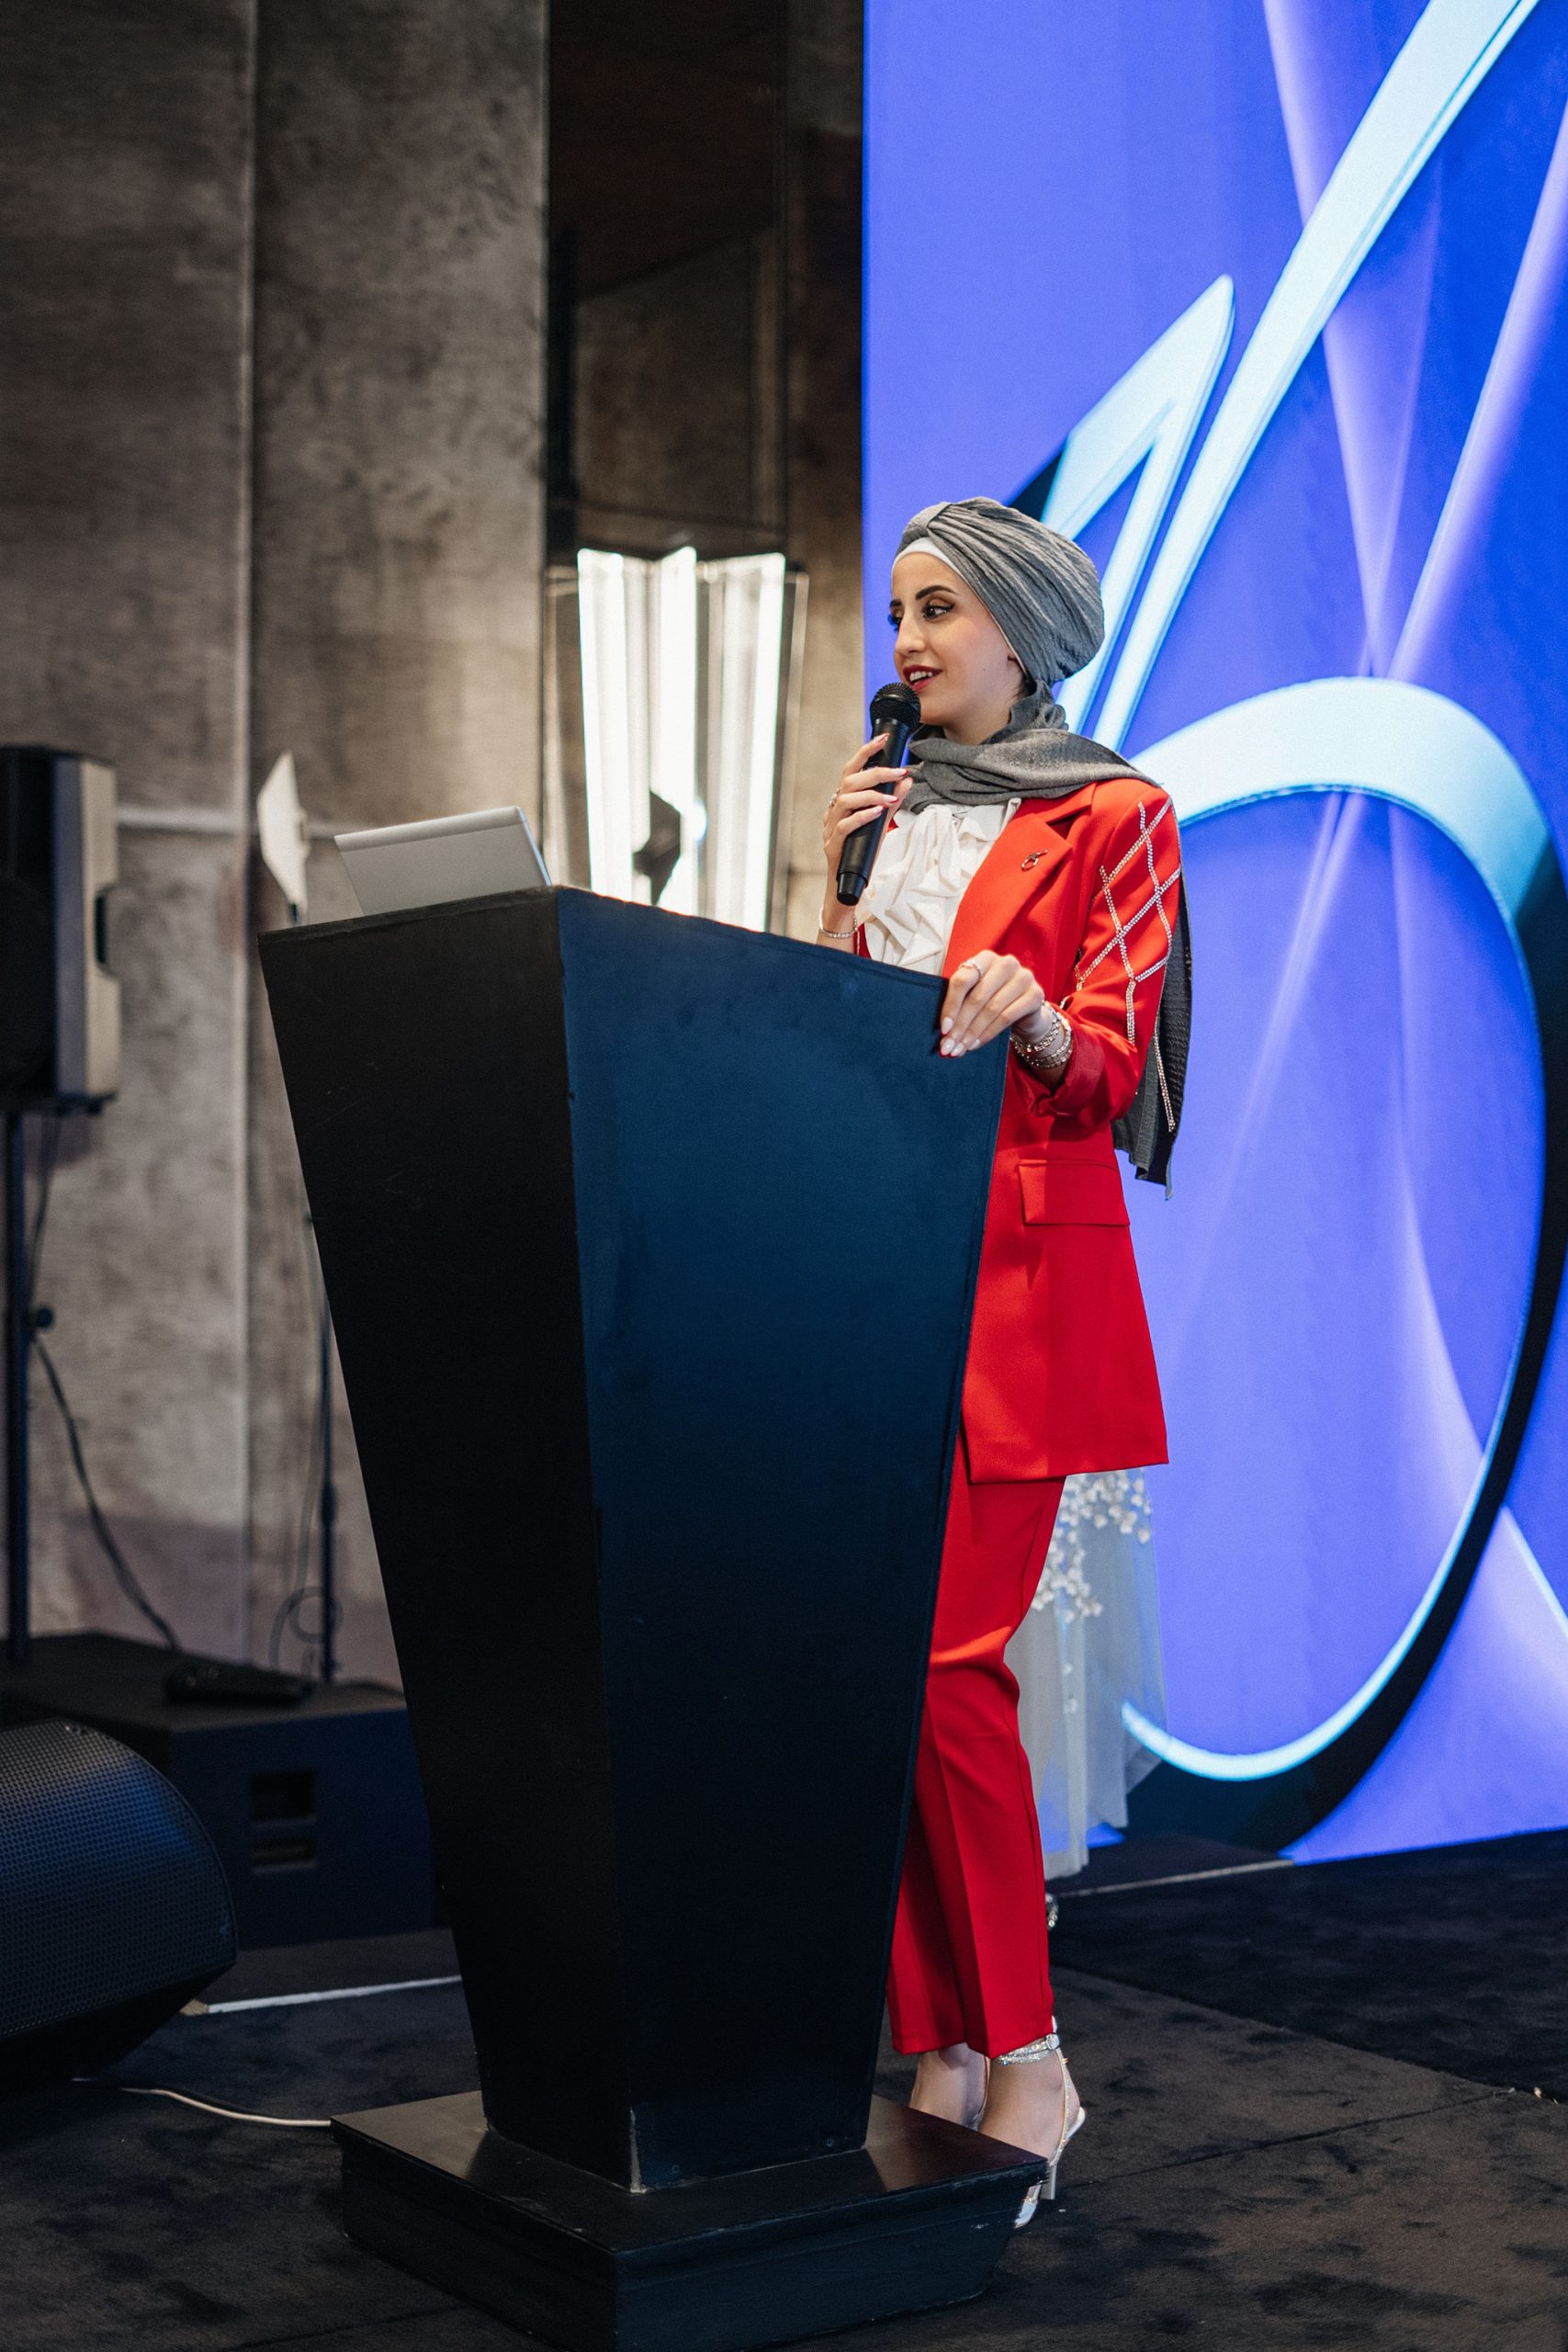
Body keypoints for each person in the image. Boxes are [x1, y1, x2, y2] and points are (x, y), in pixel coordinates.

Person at [817, 497, 1187, 2219]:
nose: (907, 642)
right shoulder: (891, 811)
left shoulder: (1118, 811)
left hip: (1017, 1290)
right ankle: (943, 2048)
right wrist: (831, 888)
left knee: (953, 1666)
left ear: (1023, 630)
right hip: (872, 1273)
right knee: (883, 1676)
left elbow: (1113, 1059)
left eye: (941, 609)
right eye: (899, 611)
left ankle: (1030, 2054)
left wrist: (1036, 1015)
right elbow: (835, 1041)